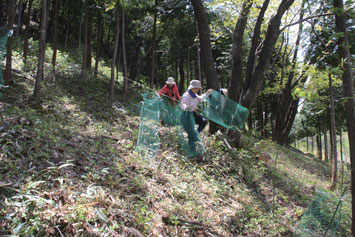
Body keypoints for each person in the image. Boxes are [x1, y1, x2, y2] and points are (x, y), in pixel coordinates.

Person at [180, 80, 212, 157]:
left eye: (198, 88)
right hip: (186, 115)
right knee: (192, 133)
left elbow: (200, 99)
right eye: (195, 88)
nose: (196, 90)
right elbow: (182, 104)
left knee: (203, 121)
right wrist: (186, 107)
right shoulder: (186, 95)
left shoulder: (194, 94)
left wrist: (207, 93)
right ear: (191, 88)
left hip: (192, 113)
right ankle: (192, 151)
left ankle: (196, 134)